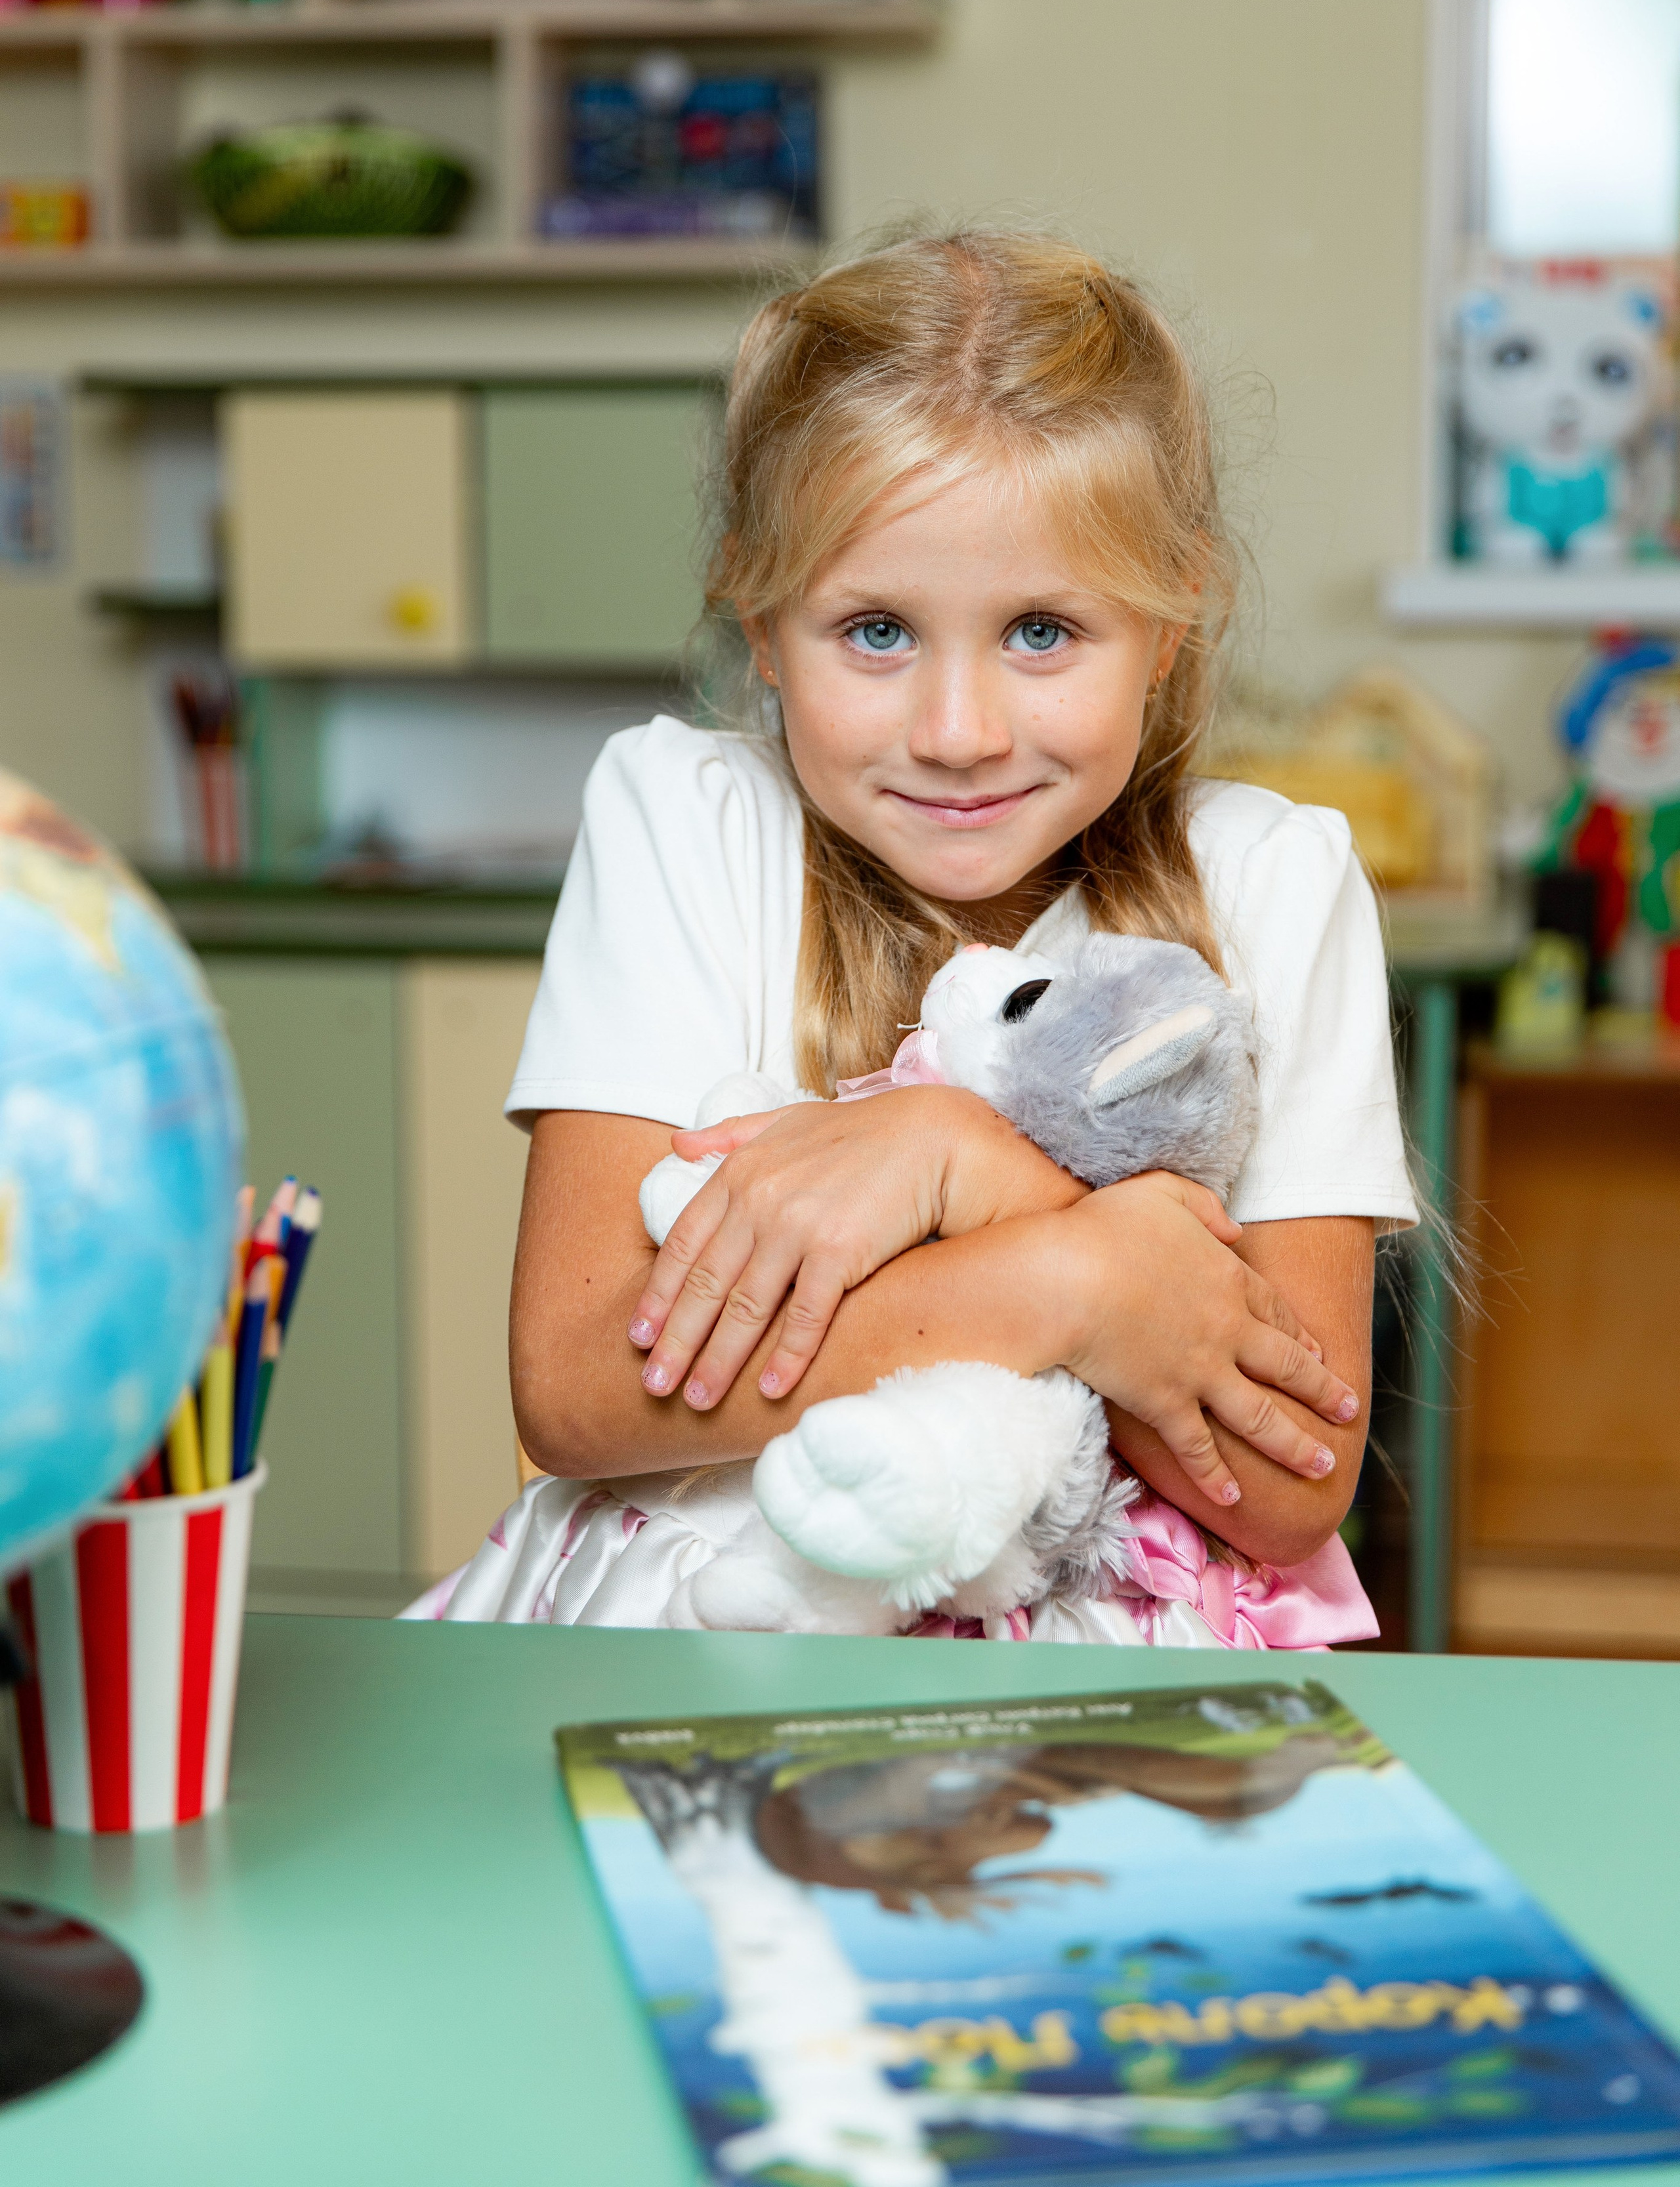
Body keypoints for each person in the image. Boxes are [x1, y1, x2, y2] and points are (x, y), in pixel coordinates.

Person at [408, 230, 1415, 1642]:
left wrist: (961, 1168)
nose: (957, 733)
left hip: (1107, 1733)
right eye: (874, 631)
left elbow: (1282, 1475)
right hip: (700, 1673)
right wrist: (1075, 1278)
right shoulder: (689, 822)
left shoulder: (1270, 881)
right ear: (758, 614)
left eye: (1042, 632)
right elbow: (577, 1392)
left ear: (1171, 616)